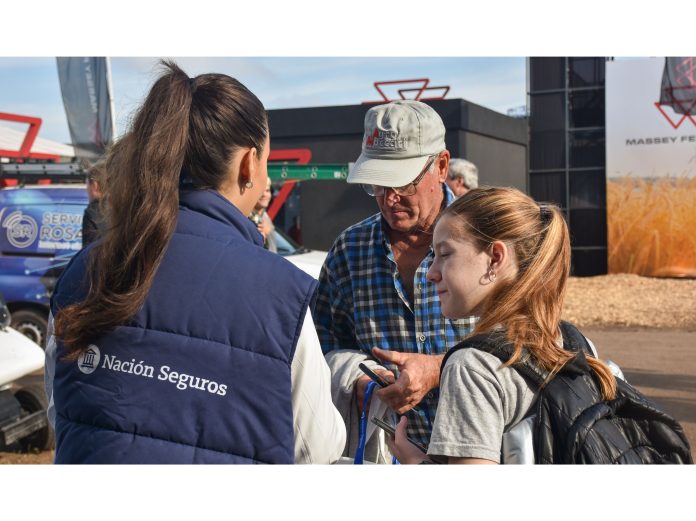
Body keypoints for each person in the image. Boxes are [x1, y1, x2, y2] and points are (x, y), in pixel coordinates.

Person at [44, 61, 345, 464]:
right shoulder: (280, 295)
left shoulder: (83, 271)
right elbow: (317, 447)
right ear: (248, 164)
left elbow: (59, 408)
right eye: (267, 161)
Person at [388, 187, 616, 464]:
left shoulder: (473, 367)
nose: (432, 273)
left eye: (445, 254)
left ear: (496, 257)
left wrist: (414, 460)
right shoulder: (573, 340)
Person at [313, 99, 476, 460]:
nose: (389, 198)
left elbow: (531, 344)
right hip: (384, 457)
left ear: (442, 166)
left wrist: (437, 369)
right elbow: (319, 346)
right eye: (377, 184)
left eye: (402, 181)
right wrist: (357, 380)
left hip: (478, 457)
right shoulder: (350, 250)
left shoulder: (486, 240)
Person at [249, 177, 277, 252]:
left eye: (267, 190)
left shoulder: (265, 216)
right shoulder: (245, 217)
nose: (264, 195)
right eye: (260, 191)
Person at [81, 160, 106, 247]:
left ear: (95, 185)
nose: (86, 189)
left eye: (87, 185)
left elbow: (89, 255)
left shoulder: (92, 212)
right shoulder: (122, 208)